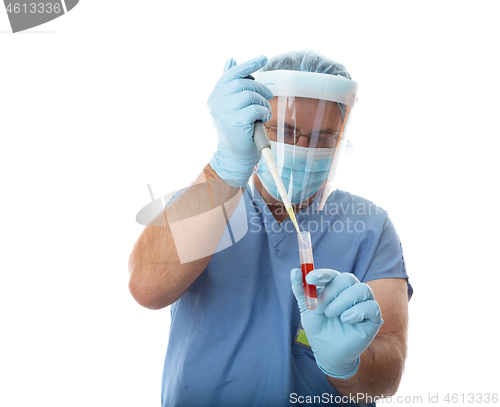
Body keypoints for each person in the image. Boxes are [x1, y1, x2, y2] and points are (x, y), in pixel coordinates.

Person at [128, 50, 412, 407]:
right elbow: (145, 288)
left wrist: (347, 364)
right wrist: (227, 166)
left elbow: (387, 375)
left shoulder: (369, 227)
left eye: (323, 139)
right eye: (288, 132)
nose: (304, 152)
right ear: (258, 128)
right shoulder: (206, 203)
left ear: (341, 141)